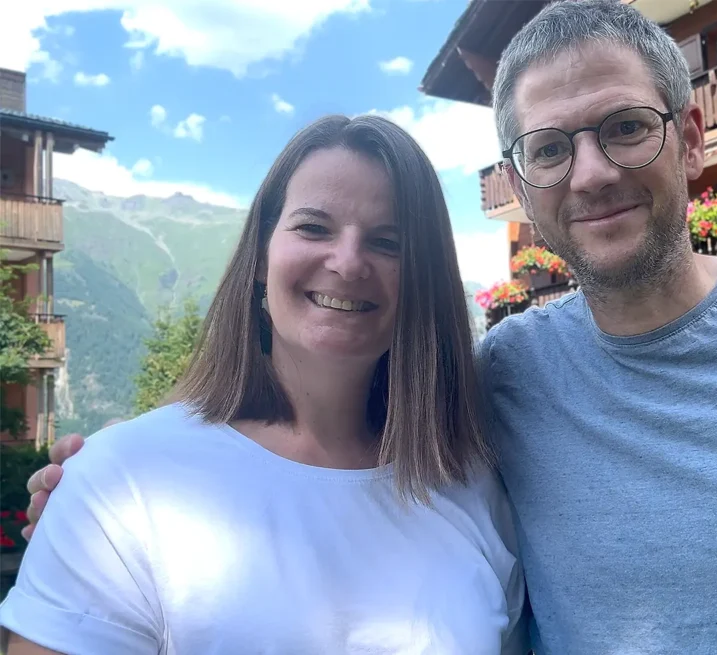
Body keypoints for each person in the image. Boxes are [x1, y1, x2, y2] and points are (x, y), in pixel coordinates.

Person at [20, 0, 717, 653]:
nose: (589, 171)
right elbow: (316, 433)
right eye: (548, 147)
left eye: (622, 127)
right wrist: (110, 478)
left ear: (689, 136)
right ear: (521, 181)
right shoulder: (499, 381)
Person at [0, 114, 527, 654]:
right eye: (314, 228)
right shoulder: (122, 481)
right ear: (259, 257)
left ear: (423, 279)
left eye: (388, 242)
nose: (347, 263)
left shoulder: (472, 488)